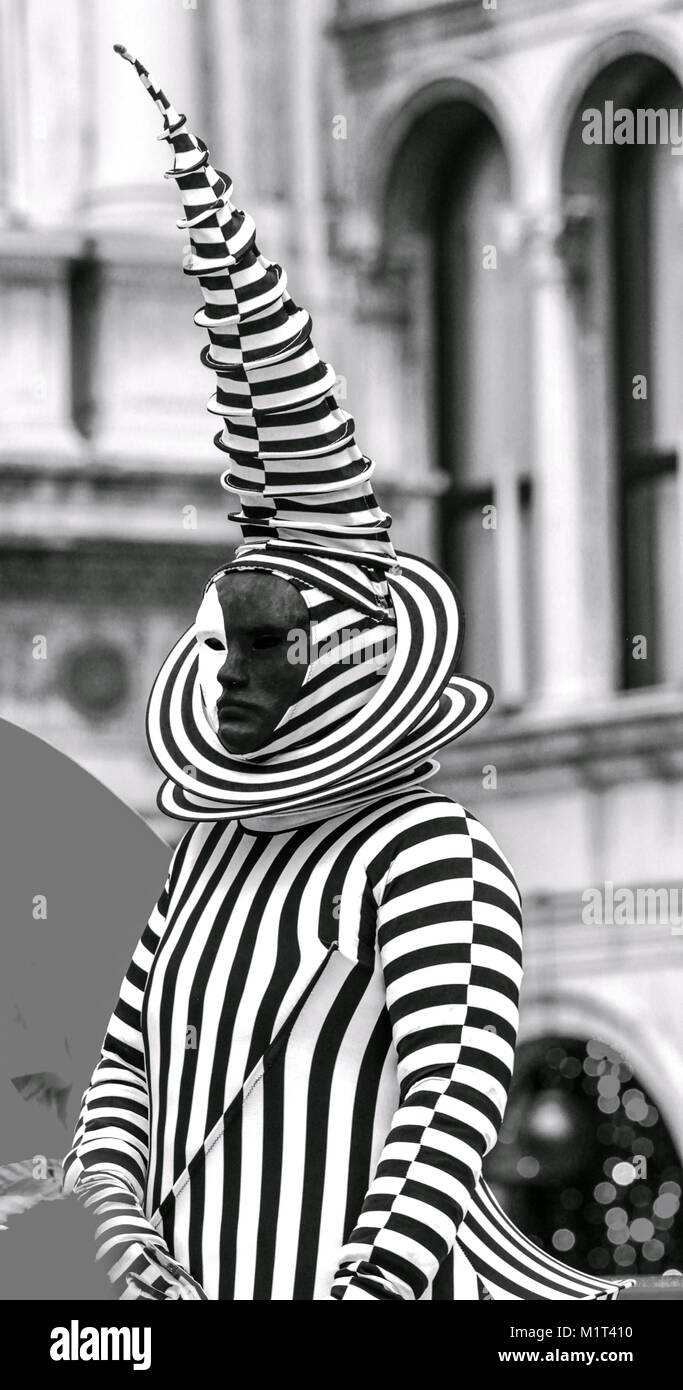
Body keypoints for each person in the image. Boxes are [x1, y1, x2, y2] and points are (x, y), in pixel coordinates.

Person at [61, 47, 632, 1302]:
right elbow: (122, 1072)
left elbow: (450, 1104)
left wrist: (362, 1295)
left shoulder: (425, 854)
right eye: (228, 639)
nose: (231, 675)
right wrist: (128, 1243)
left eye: (269, 644)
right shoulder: (207, 859)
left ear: (351, 658)